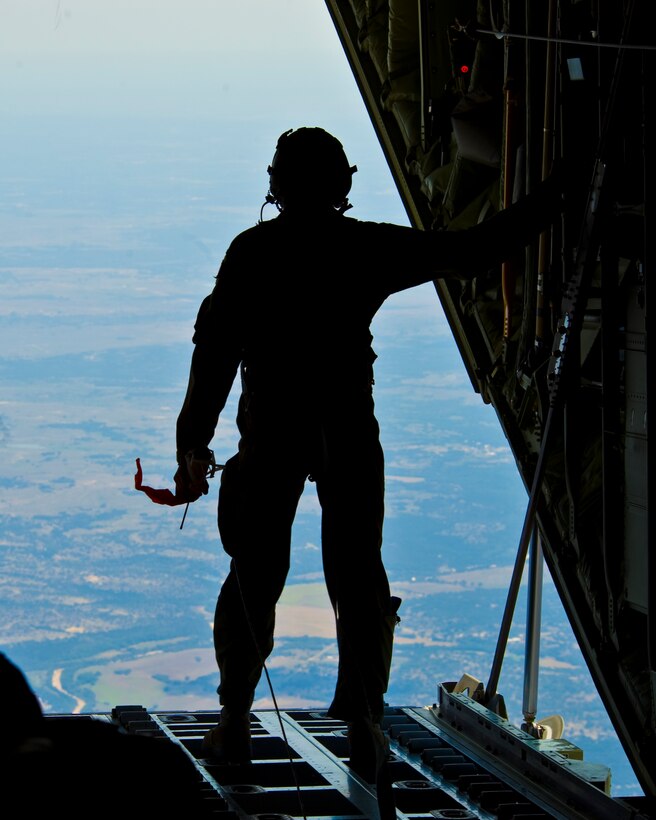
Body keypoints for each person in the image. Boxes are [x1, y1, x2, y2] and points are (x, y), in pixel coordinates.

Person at [174, 126, 564, 779]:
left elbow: (214, 352)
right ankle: (363, 724)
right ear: (342, 186)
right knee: (358, 579)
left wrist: (193, 444)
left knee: (254, 574)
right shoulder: (364, 247)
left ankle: (236, 719)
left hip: (271, 433)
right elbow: (473, 250)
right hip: (347, 432)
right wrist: (555, 196)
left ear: (276, 183)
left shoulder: (252, 252)